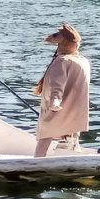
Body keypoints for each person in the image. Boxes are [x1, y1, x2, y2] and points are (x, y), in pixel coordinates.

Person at [32, 23, 91, 157]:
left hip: (58, 110)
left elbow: (57, 85)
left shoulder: (62, 61)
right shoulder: (83, 61)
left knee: (44, 138)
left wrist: (54, 102)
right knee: (73, 137)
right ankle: (73, 156)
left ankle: (37, 162)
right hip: (76, 112)